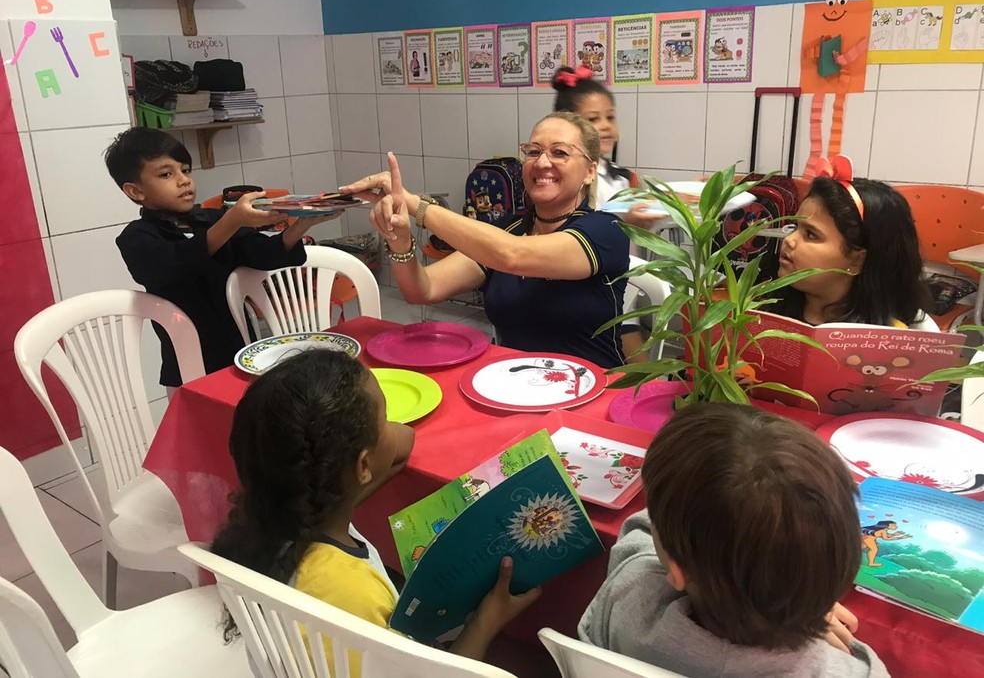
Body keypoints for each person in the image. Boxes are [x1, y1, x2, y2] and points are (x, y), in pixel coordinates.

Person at [210, 350, 539, 670]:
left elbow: (401, 446)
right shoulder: (353, 593)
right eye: (384, 417)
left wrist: (374, 436)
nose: (393, 425)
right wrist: (486, 621)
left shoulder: (275, 514)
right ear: (363, 464)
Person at [579, 402, 889, 677]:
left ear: (677, 571)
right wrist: (799, 595)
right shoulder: (857, 671)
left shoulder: (629, 595)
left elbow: (641, 531)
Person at [341, 112, 630, 369]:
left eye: (560, 153)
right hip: (515, 385)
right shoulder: (507, 230)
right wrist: (399, 239)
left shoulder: (606, 231)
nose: (542, 163)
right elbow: (422, 290)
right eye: (533, 151)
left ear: (590, 171)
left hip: (594, 393)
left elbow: (514, 256)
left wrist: (417, 206)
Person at [107, 127, 333, 389]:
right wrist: (232, 222)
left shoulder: (210, 220)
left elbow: (262, 254)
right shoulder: (137, 238)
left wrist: (303, 224)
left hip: (240, 352)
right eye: (166, 174)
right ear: (136, 192)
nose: (184, 181)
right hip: (187, 364)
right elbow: (177, 264)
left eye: (186, 170)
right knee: (202, 425)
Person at [552, 65, 663, 361]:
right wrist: (625, 223)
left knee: (638, 368)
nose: (604, 127)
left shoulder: (624, 178)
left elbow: (636, 238)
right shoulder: (564, 181)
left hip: (620, 295)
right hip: (580, 298)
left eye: (609, 117)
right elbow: (568, 239)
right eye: (592, 120)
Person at [773, 156, 936, 329]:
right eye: (794, 227)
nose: (789, 240)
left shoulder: (891, 337)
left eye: (811, 235)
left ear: (856, 260)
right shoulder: (761, 307)